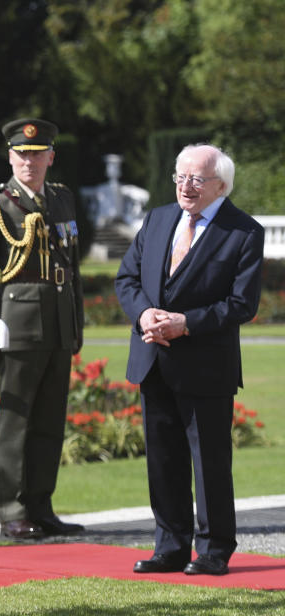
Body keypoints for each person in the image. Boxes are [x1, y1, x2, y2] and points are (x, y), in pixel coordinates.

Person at [115, 144, 263, 576]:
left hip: (206, 365)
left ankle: (214, 550)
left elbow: (241, 304)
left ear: (221, 185)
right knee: (163, 460)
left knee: (210, 463)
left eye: (197, 178)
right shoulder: (158, 218)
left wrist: (185, 323)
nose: (186, 186)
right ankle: (171, 546)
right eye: (180, 177)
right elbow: (126, 277)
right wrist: (144, 313)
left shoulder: (244, 232)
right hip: (152, 358)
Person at [0, 118, 85, 539]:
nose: (28, 162)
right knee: (15, 421)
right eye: (21, 154)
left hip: (58, 321)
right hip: (17, 324)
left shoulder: (63, 199)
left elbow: (72, 268)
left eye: (36, 155)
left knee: (51, 420)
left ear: (51, 157)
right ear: (10, 157)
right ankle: (12, 510)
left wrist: (77, 324)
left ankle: (41, 504)